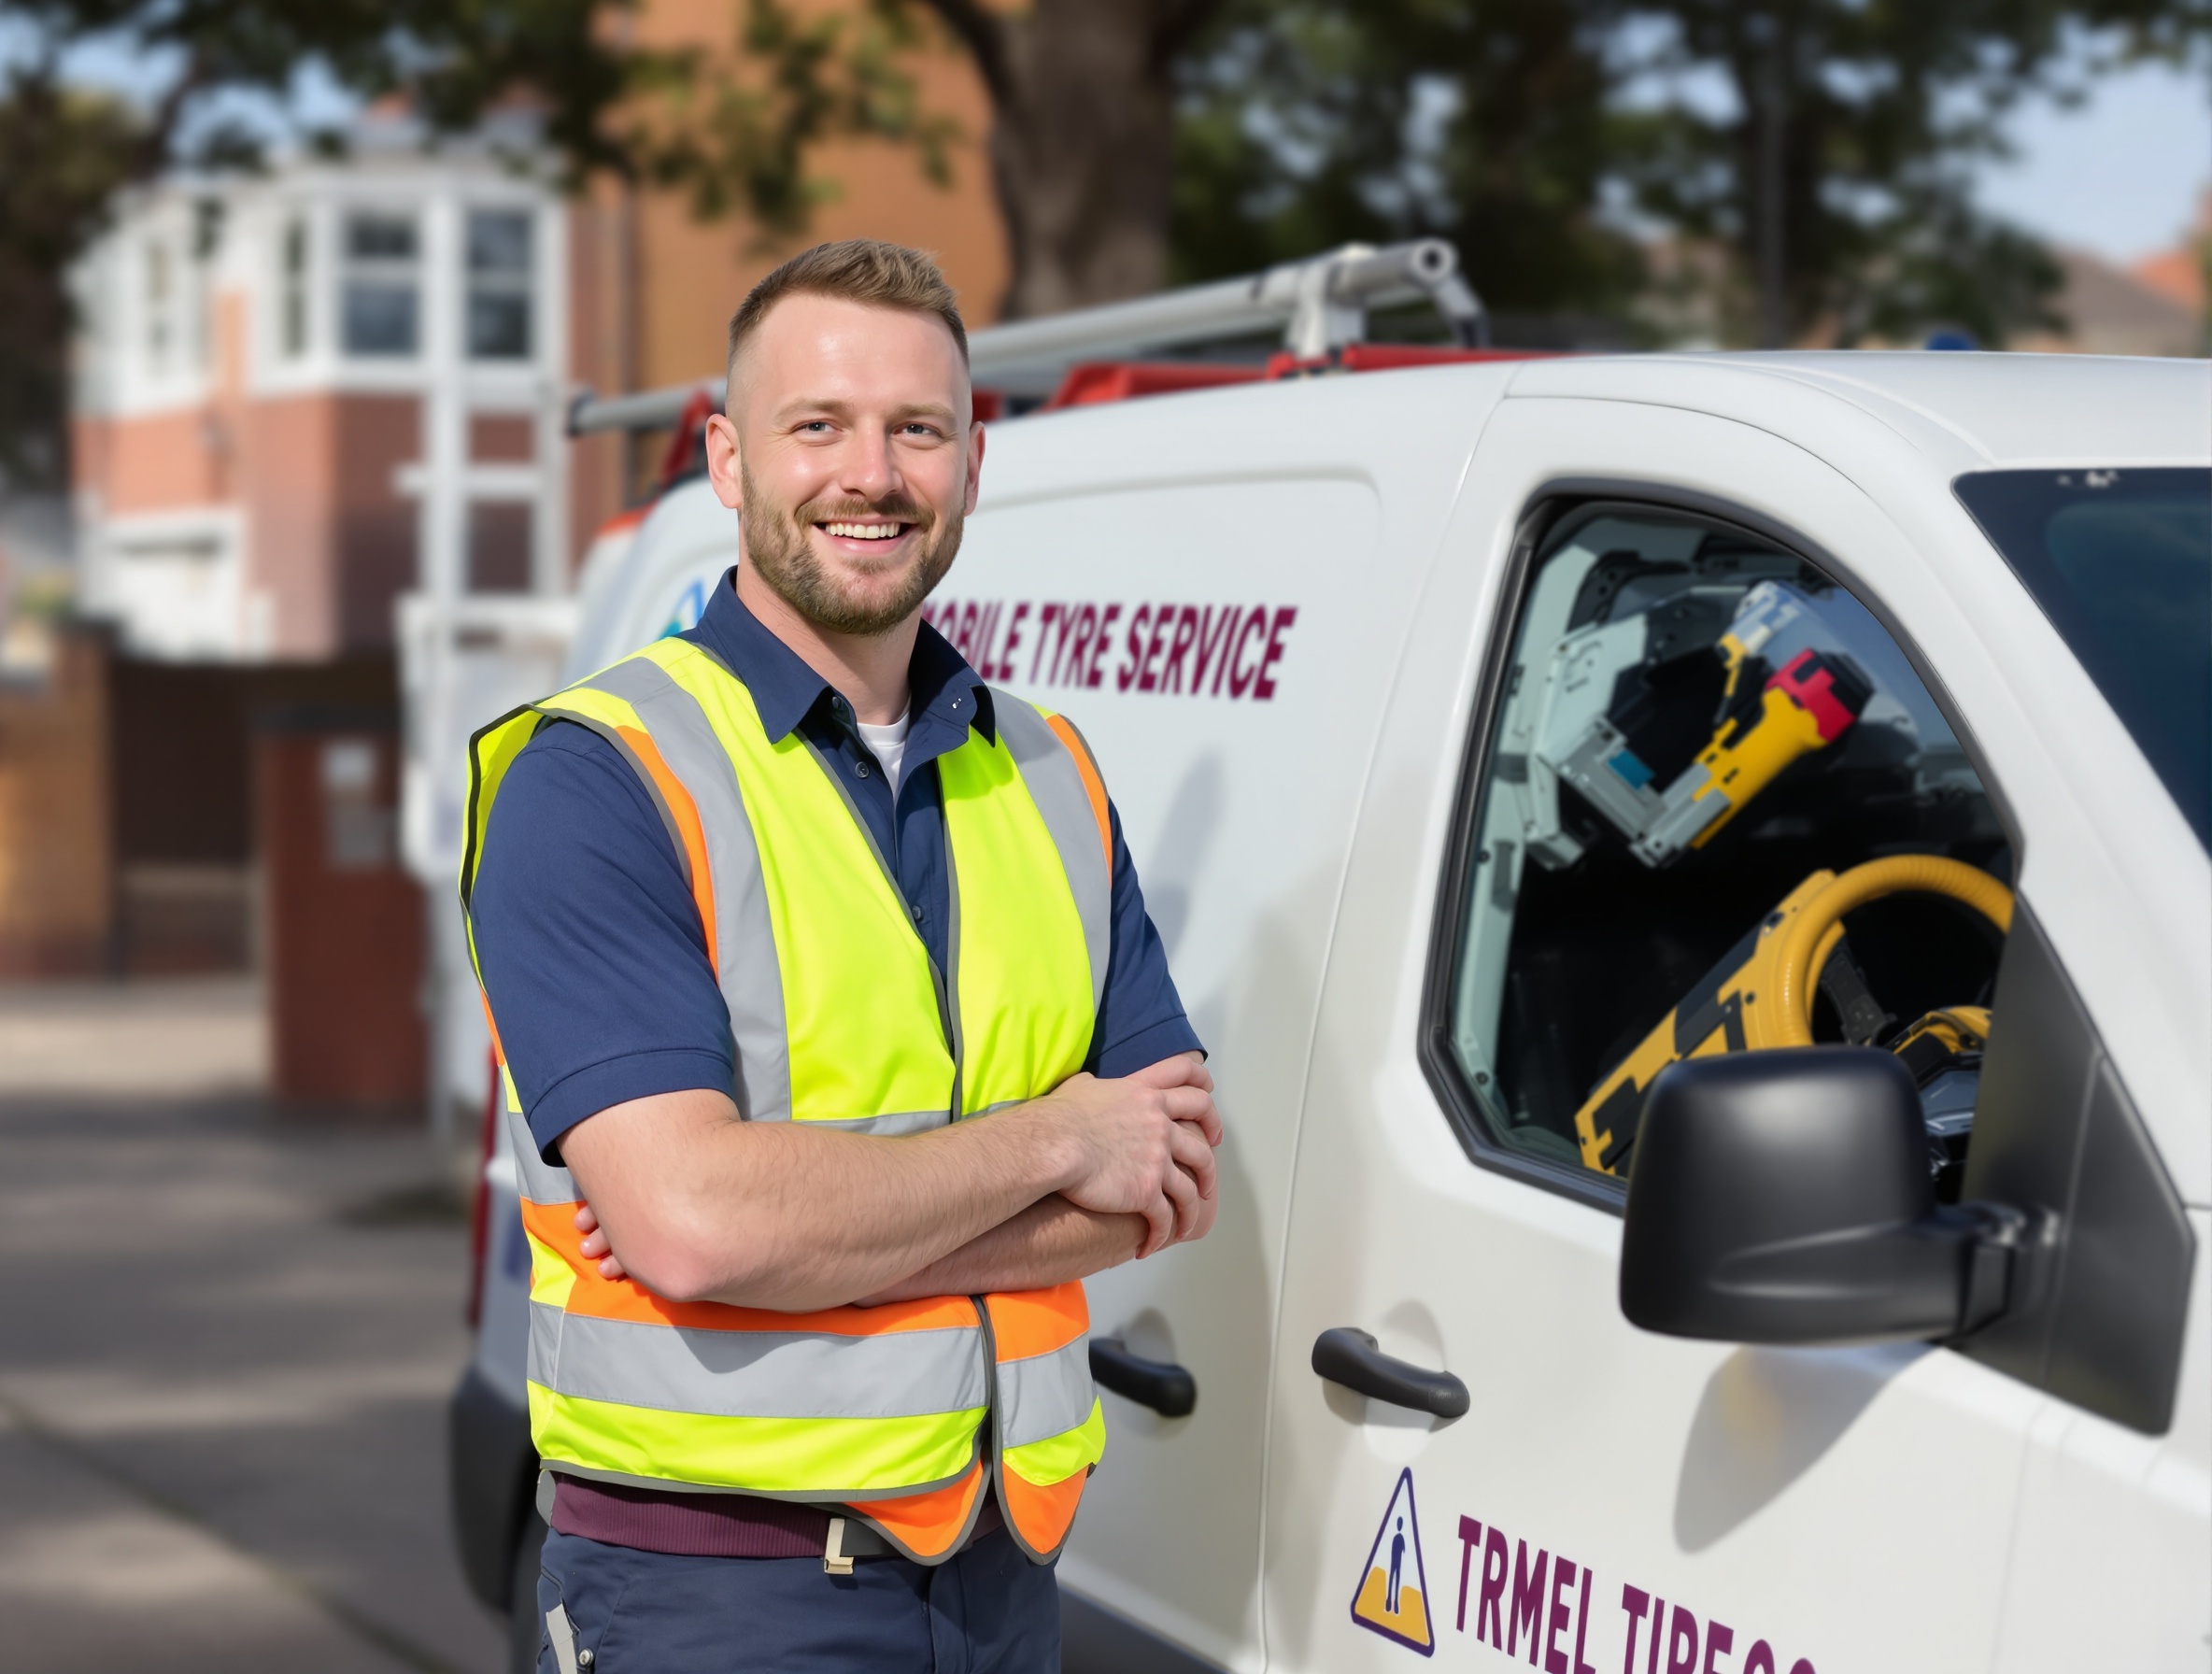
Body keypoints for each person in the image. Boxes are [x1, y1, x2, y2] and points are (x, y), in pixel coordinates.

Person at [463, 238, 1222, 1674]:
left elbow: (1170, 1183)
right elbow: (696, 1225)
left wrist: (797, 1222)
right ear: (728, 461)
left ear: (972, 465)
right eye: (818, 425)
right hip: (714, 1599)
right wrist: (1062, 1134)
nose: (870, 474)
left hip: (1003, 1585)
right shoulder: (600, 776)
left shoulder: (1049, 772)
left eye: (915, 429)